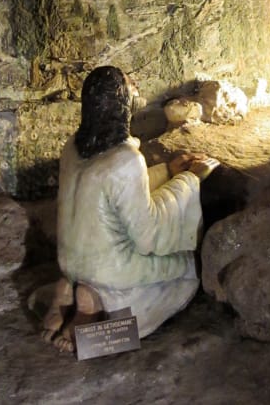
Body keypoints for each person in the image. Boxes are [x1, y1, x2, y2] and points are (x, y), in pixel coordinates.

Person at [41, 65, 218, 352]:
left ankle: (68, 290)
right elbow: (148, 235)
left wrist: (166, 171)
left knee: (106, 256)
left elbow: (115, 192)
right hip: (107, 269)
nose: (135, 88)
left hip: (69, 262)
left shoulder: (71, 147)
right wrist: (189, 180)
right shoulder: (126, 159)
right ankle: (99, 303)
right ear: (121, 105)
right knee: (185, 270)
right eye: (130, 86)